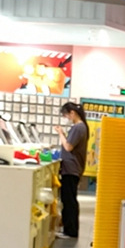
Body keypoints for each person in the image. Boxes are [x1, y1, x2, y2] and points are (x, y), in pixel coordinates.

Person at [54, 101, 89, 238]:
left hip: (71, 169)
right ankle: (68, 228)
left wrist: (61, 133)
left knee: (69, 200)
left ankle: (70, 230)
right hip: (72, 168)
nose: (66, 118)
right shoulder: (81, 127)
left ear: (72, 113)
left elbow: (68, 147)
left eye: (66, 115)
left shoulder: (78, 128)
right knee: (69, 199)